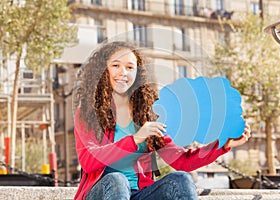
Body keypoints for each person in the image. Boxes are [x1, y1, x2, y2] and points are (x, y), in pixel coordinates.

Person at [73, 41, 251, 200]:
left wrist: (223, 145)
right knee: (117, 180)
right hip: (103, 193)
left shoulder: (146, 115)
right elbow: (89, 161)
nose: (123, 72)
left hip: (140, 194)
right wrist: (135, 140)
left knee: (181, 180)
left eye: (129, 67)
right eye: (116, 65)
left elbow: (182, 160)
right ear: (104, 70)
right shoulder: (88, 114)